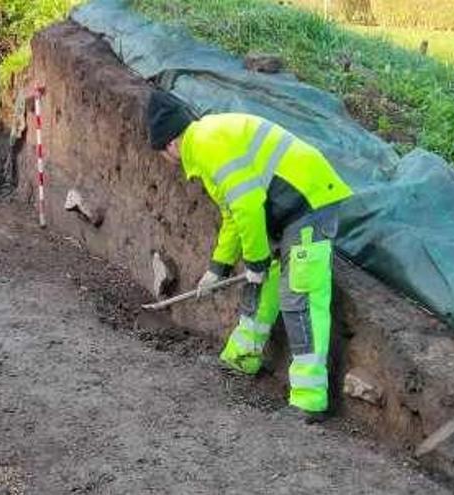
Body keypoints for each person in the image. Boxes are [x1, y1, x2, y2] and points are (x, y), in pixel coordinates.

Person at [145, 90, 354, 421]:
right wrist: (218, 267)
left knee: (299, 294)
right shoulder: (206, 143)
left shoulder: (205, 145)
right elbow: (233, 214)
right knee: (264, 280)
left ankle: (309, 400)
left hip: (308, 203)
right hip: (285, 209)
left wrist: (256, 262)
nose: (166, 161)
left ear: (170, 143)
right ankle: (242, 357)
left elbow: (247, 204)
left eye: (161, 153)